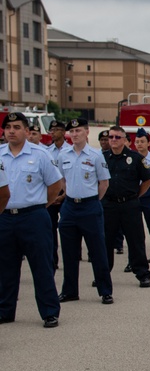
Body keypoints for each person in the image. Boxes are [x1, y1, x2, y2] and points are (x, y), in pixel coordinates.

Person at [0, 112, 63, 327]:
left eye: (17, 127)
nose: (11, 131)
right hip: (5, 217)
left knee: (41, 265)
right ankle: (5, 311)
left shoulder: (40, 154)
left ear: (26, 131)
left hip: (33, 217)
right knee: (6, 267)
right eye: (8, 127)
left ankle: (49, 312)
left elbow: (55, 186)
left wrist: (39, 206)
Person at [57, 117, 115, 305]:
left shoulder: (96, 155)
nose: (74, 135)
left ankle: (105, 290)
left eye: (78, 131)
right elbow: (62, 181)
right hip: (69, 207)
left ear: (87, 132)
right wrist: (71, 196)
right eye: (72, 132)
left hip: (90, 206)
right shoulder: (63, 155)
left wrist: (91, 201)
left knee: (97, 251)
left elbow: (104, 183)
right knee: (69, 252)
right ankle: (70, 291)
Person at [103, 126, 150, 287]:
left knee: (136, 240)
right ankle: (102, 275)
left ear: (125, 140)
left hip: (130, 204)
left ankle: (142, 274)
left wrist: (135, 196)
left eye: (118, 137)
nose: (113, 140)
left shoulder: (136, 158)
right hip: (108, 204)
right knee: (105, 241)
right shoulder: (102, 158)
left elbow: (147, 181)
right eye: (111, 137)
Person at [133, 128, 150, 259]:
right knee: (135, 231)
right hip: (134, 195)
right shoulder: (131, 159)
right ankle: (134, 259)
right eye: (137, 141)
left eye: (142, 141)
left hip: (149, 195)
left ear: (148, 143)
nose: (139, 144)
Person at [46, 120, 69, 269]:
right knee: (50, 228)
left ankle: (74, 254)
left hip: (67, 192)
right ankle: (53, 259)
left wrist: (64, 194)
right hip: (51, 193)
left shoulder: (70, 150)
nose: (53, 132)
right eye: (51, 130)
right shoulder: (47, 152)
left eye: (56, 129)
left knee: (67, 227)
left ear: (63, 132)